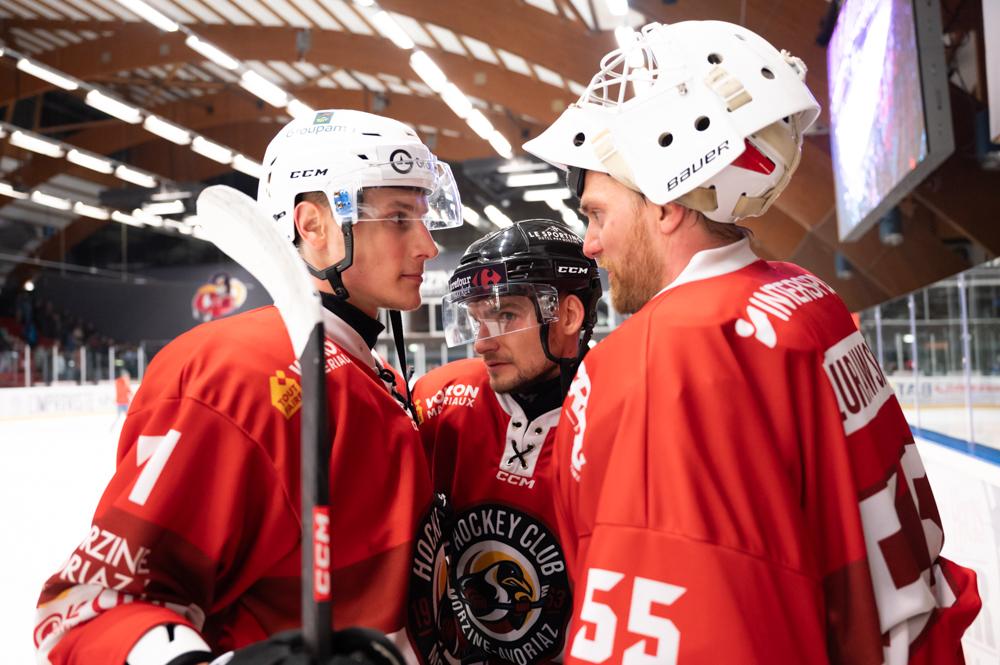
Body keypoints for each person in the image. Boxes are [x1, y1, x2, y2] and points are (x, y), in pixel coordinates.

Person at [523, 20, 981, 664]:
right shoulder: (805, 294)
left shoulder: (663, 359)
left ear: (665, 204)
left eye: (597, 213)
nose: (590, 244)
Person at [33, 109, 463, 665]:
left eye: (423, 217)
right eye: (400, 217)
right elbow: (90, 611)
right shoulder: (236, 373)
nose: (428, 245)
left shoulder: (379, 374)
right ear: (314, 225)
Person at [406, 220, 601, 665]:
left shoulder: (618, 413)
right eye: (477, 319)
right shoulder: (442, 399)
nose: (481, 343)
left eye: (505, 315)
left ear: (568, 316)